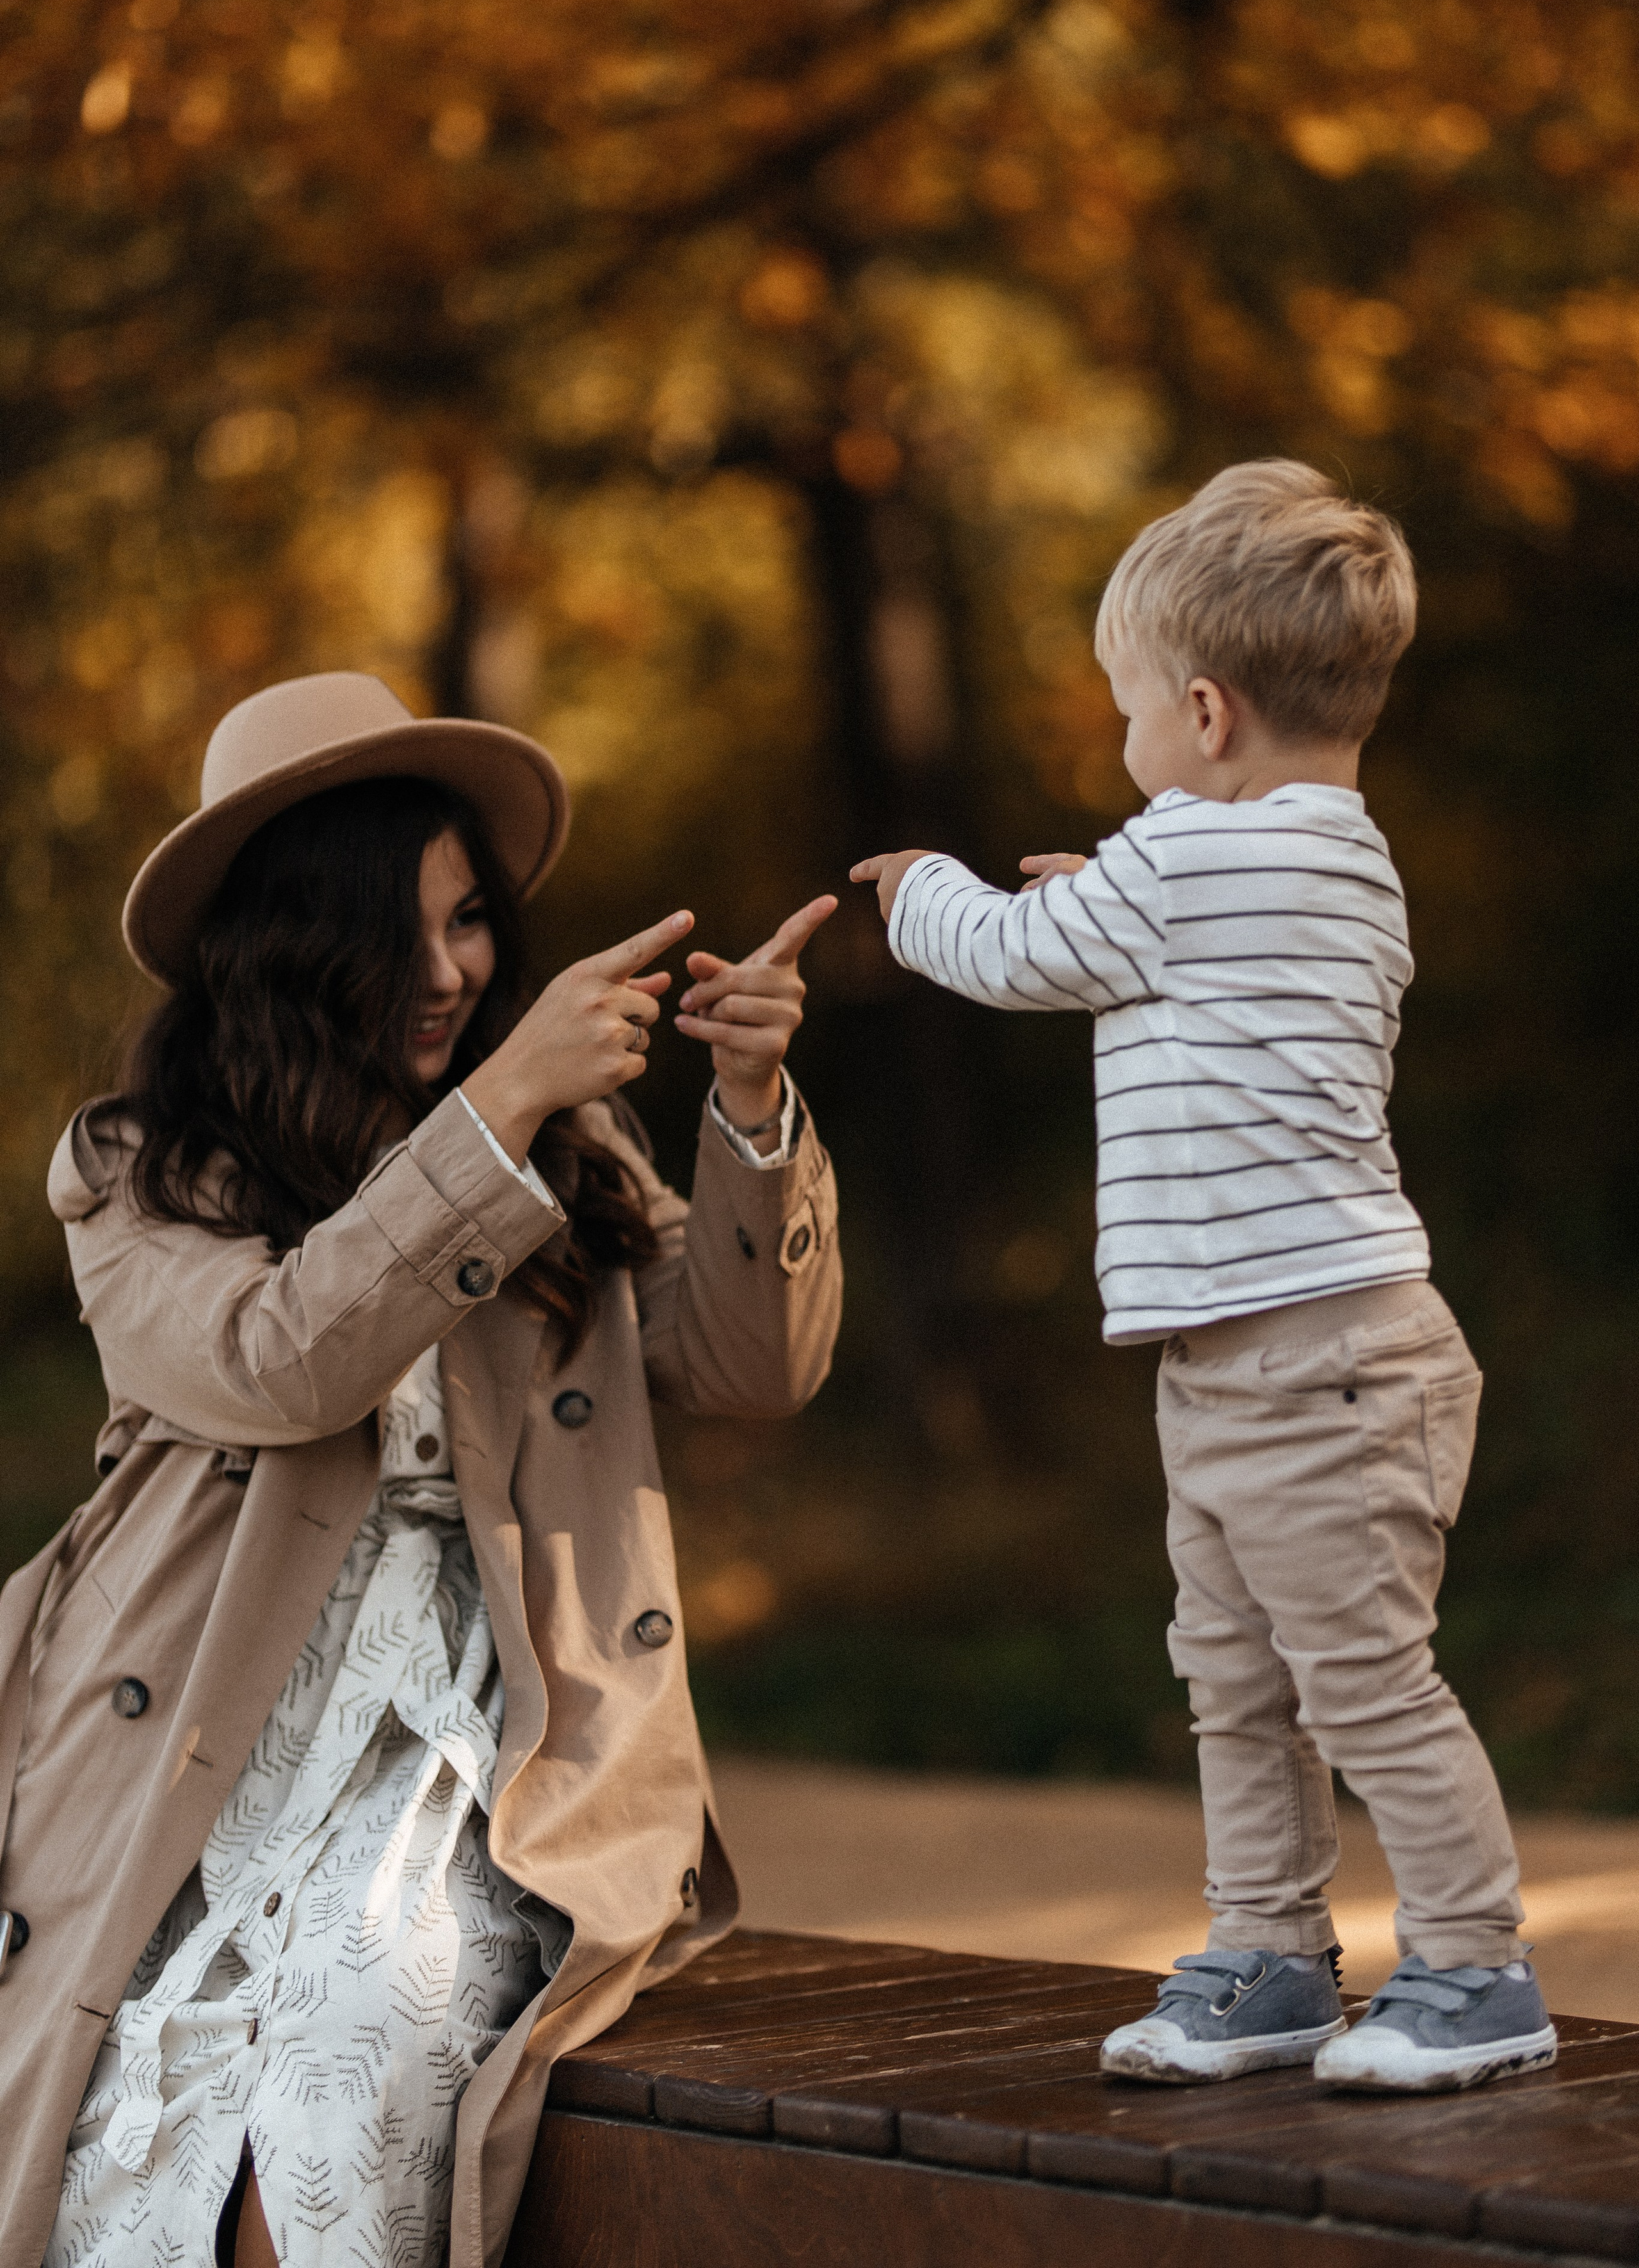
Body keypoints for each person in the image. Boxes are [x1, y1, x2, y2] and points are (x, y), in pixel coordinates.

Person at [0, 671, 843, 2267]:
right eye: (403, 933)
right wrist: (502, 1102)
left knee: (329, 2114)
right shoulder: (139, 1168)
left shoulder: (571, 1156)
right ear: (290, 944)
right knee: (137, 2138)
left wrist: (748, 1111)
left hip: (485, 1729)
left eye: (470, 922)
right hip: (206, 1724)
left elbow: (750, 1364)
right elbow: (279, 1363)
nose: (454, 971)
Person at [852, 460, 1554, 2096]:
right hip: (1261, 1361)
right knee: (1236, 1678)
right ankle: (1269, 1957)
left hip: (1311, 1363)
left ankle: (1473, 1968)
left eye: (1125, 715)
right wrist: (1103, 898)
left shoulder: (1182, 861)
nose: (1123, 751)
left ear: (1203, 715)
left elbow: (1014, 955)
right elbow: (1176, 952)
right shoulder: (1332, 857)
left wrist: (918, 893)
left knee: (1357, 1686)